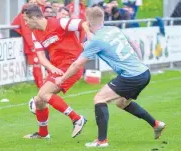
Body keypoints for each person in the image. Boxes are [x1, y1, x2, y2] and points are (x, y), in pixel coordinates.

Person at [55, 6, 166, 147]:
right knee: (121, 103)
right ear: (102, 19)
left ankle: (102, 141)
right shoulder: (113, 29)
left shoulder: (96, 40)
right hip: (143, 72)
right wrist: (140, 63)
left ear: (88, 22)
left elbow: (76, 65)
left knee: (99, 98)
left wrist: (62, 79)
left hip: (130, 76)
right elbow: (134, 44)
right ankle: (156, 124)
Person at [22, 4, 92, 139]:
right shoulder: (35, 33)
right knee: (38, 101)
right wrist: (51, 68)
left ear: (35, 18)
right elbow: (41, 57)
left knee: (43, 93)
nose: (25, 23)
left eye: (26, 20)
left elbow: (83, 23)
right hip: (58, 68)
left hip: (72, 65)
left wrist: (87, 38)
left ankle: (77, 118)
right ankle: (43, 133)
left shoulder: (59, 22)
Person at [11, 0, 44, 88]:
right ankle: (40, 85)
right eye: (33, 2)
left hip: (31, 39)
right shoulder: (26, 12)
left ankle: (41, 84)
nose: (35, 4)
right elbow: (26, 31)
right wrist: (31, 46)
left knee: (37, 61)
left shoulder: (34, 10)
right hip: (22, 39)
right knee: (36, 60)